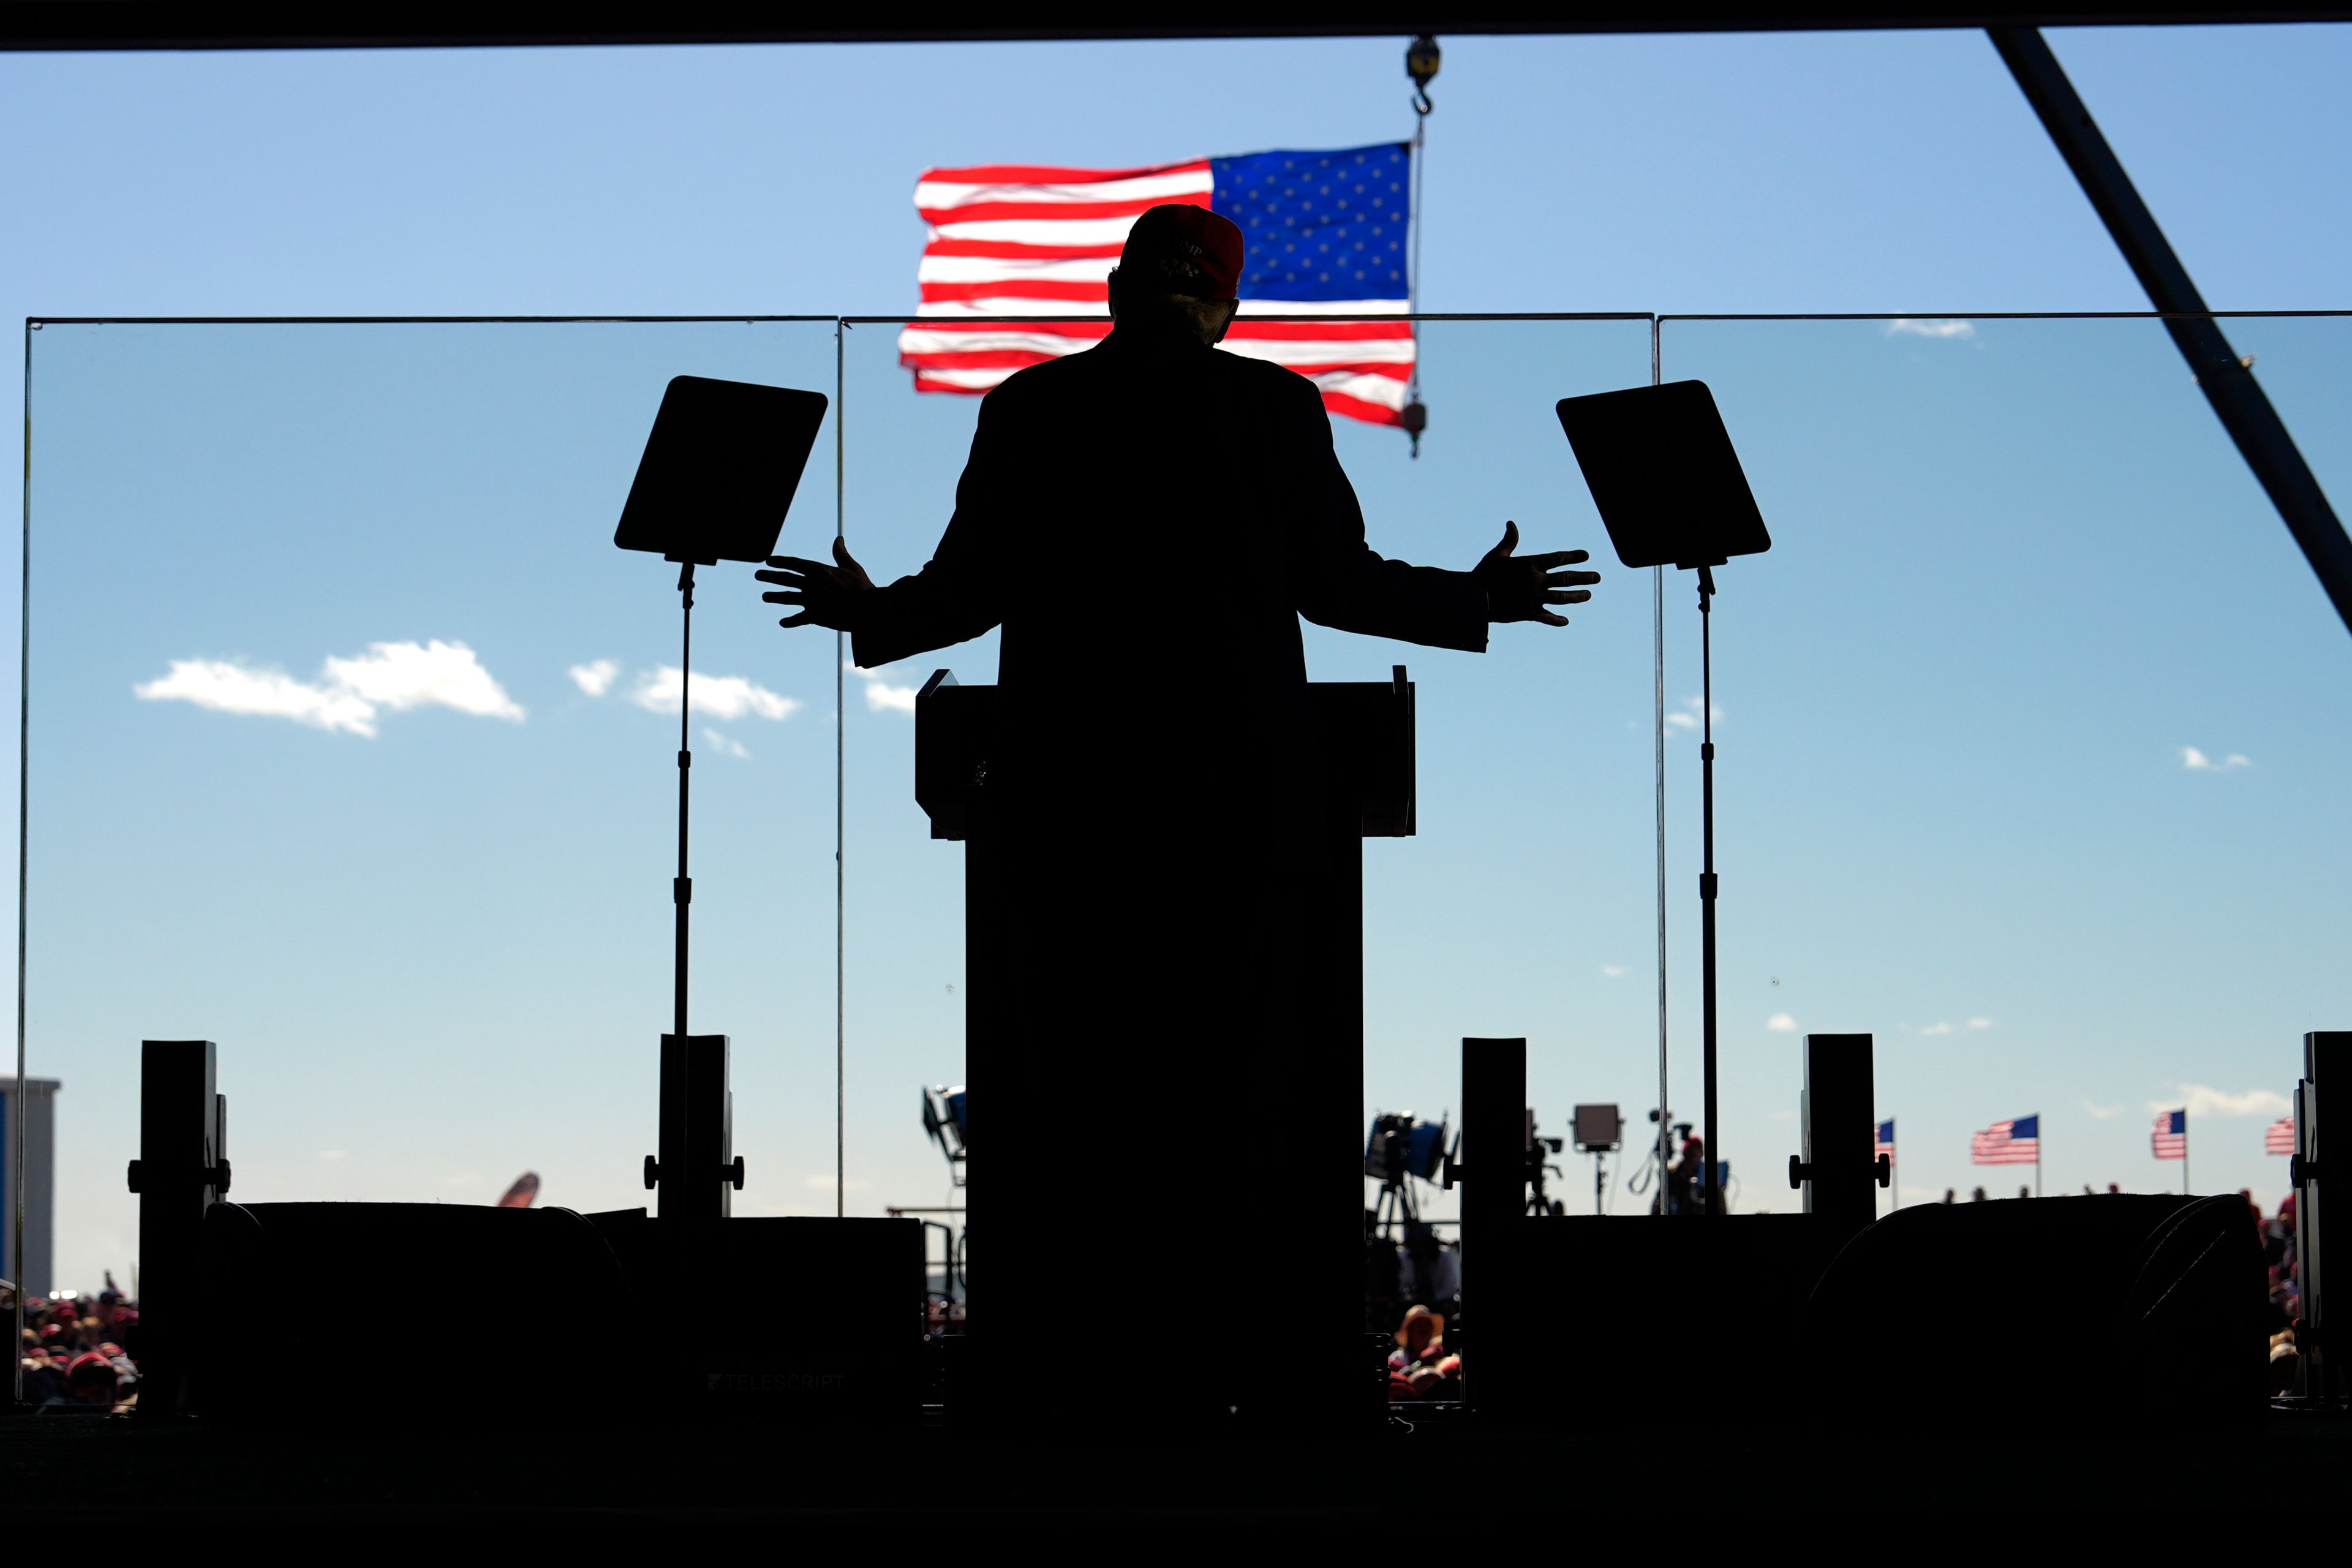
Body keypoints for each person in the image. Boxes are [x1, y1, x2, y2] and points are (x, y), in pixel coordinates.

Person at [757, 203, 1599, 1422]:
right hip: (1241, 821)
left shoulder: (1030, 408)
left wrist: (872, 615)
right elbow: (1337, 581)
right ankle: (1242, 1388)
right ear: (1227, 307)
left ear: (1111, 289)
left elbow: (967, 591)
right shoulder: (1271, 407)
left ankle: (1078, 1392)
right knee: (1241, 1112)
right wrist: (1474, 598)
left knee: (1079, 1119)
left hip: (1068, 821)